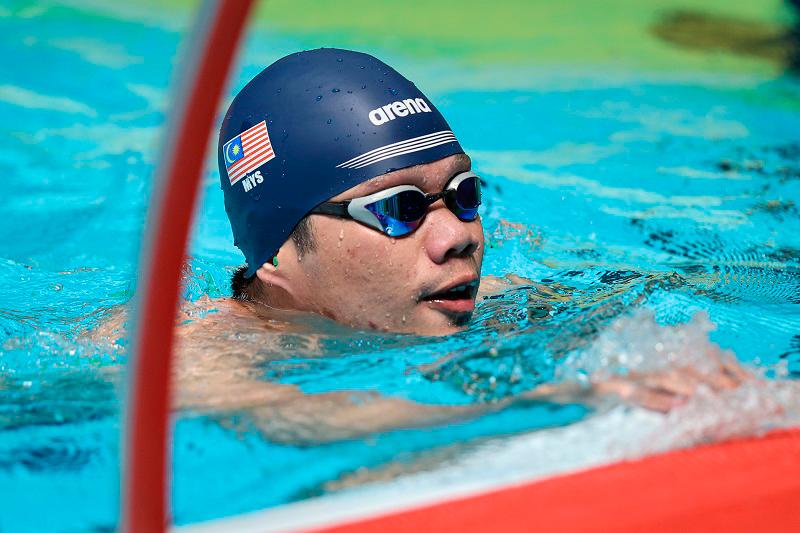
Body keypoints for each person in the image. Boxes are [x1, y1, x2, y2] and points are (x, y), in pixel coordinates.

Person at [97, 48, 750, 446]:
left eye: (463, 194)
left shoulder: (494, 301)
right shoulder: (176, 353)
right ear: (273, 254)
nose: (457, 235)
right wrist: (545, 403)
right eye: (398, 209)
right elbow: (299, 422)